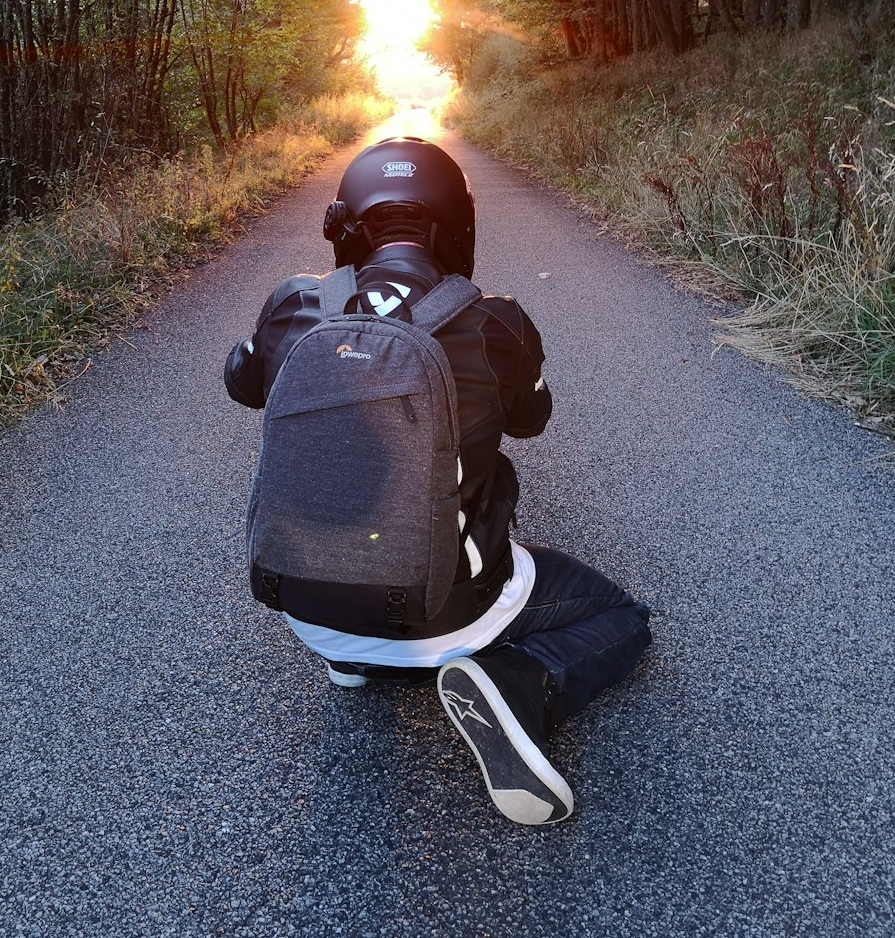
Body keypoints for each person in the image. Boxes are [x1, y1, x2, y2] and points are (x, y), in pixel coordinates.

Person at [225, 136, 651, 826]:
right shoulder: (497, 320)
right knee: (622, 616)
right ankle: (517, 683)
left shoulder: (291, 305)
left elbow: (241, 382)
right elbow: (533, 419)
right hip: (445, 612)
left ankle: (357, 661)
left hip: (303, 610)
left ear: (348, 223)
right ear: (456, 226)